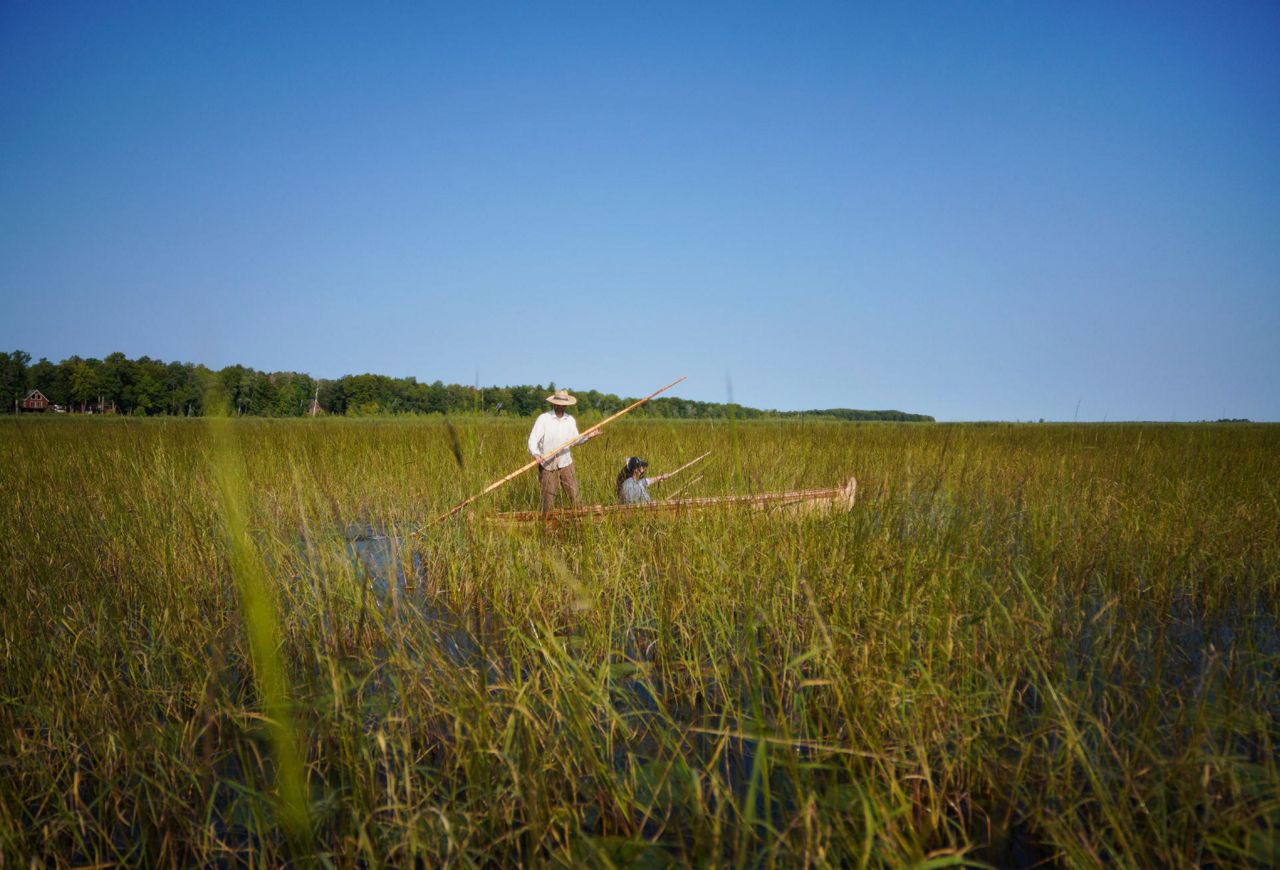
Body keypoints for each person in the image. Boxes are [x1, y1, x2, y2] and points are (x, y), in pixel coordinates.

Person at [528, 389, 598, 513]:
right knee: (547, 500)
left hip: (566, 462)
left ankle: (578, 521)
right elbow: (533, 439)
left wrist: (589, 436)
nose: (560, 406)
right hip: (548, 464)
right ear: (554, 404)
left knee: (574, 496)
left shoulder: (570, 420)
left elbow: (575, 440)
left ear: (566, 405)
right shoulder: (544, 419)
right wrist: (535, 453)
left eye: (562, 404)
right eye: (558, 403)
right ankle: (546, 525)